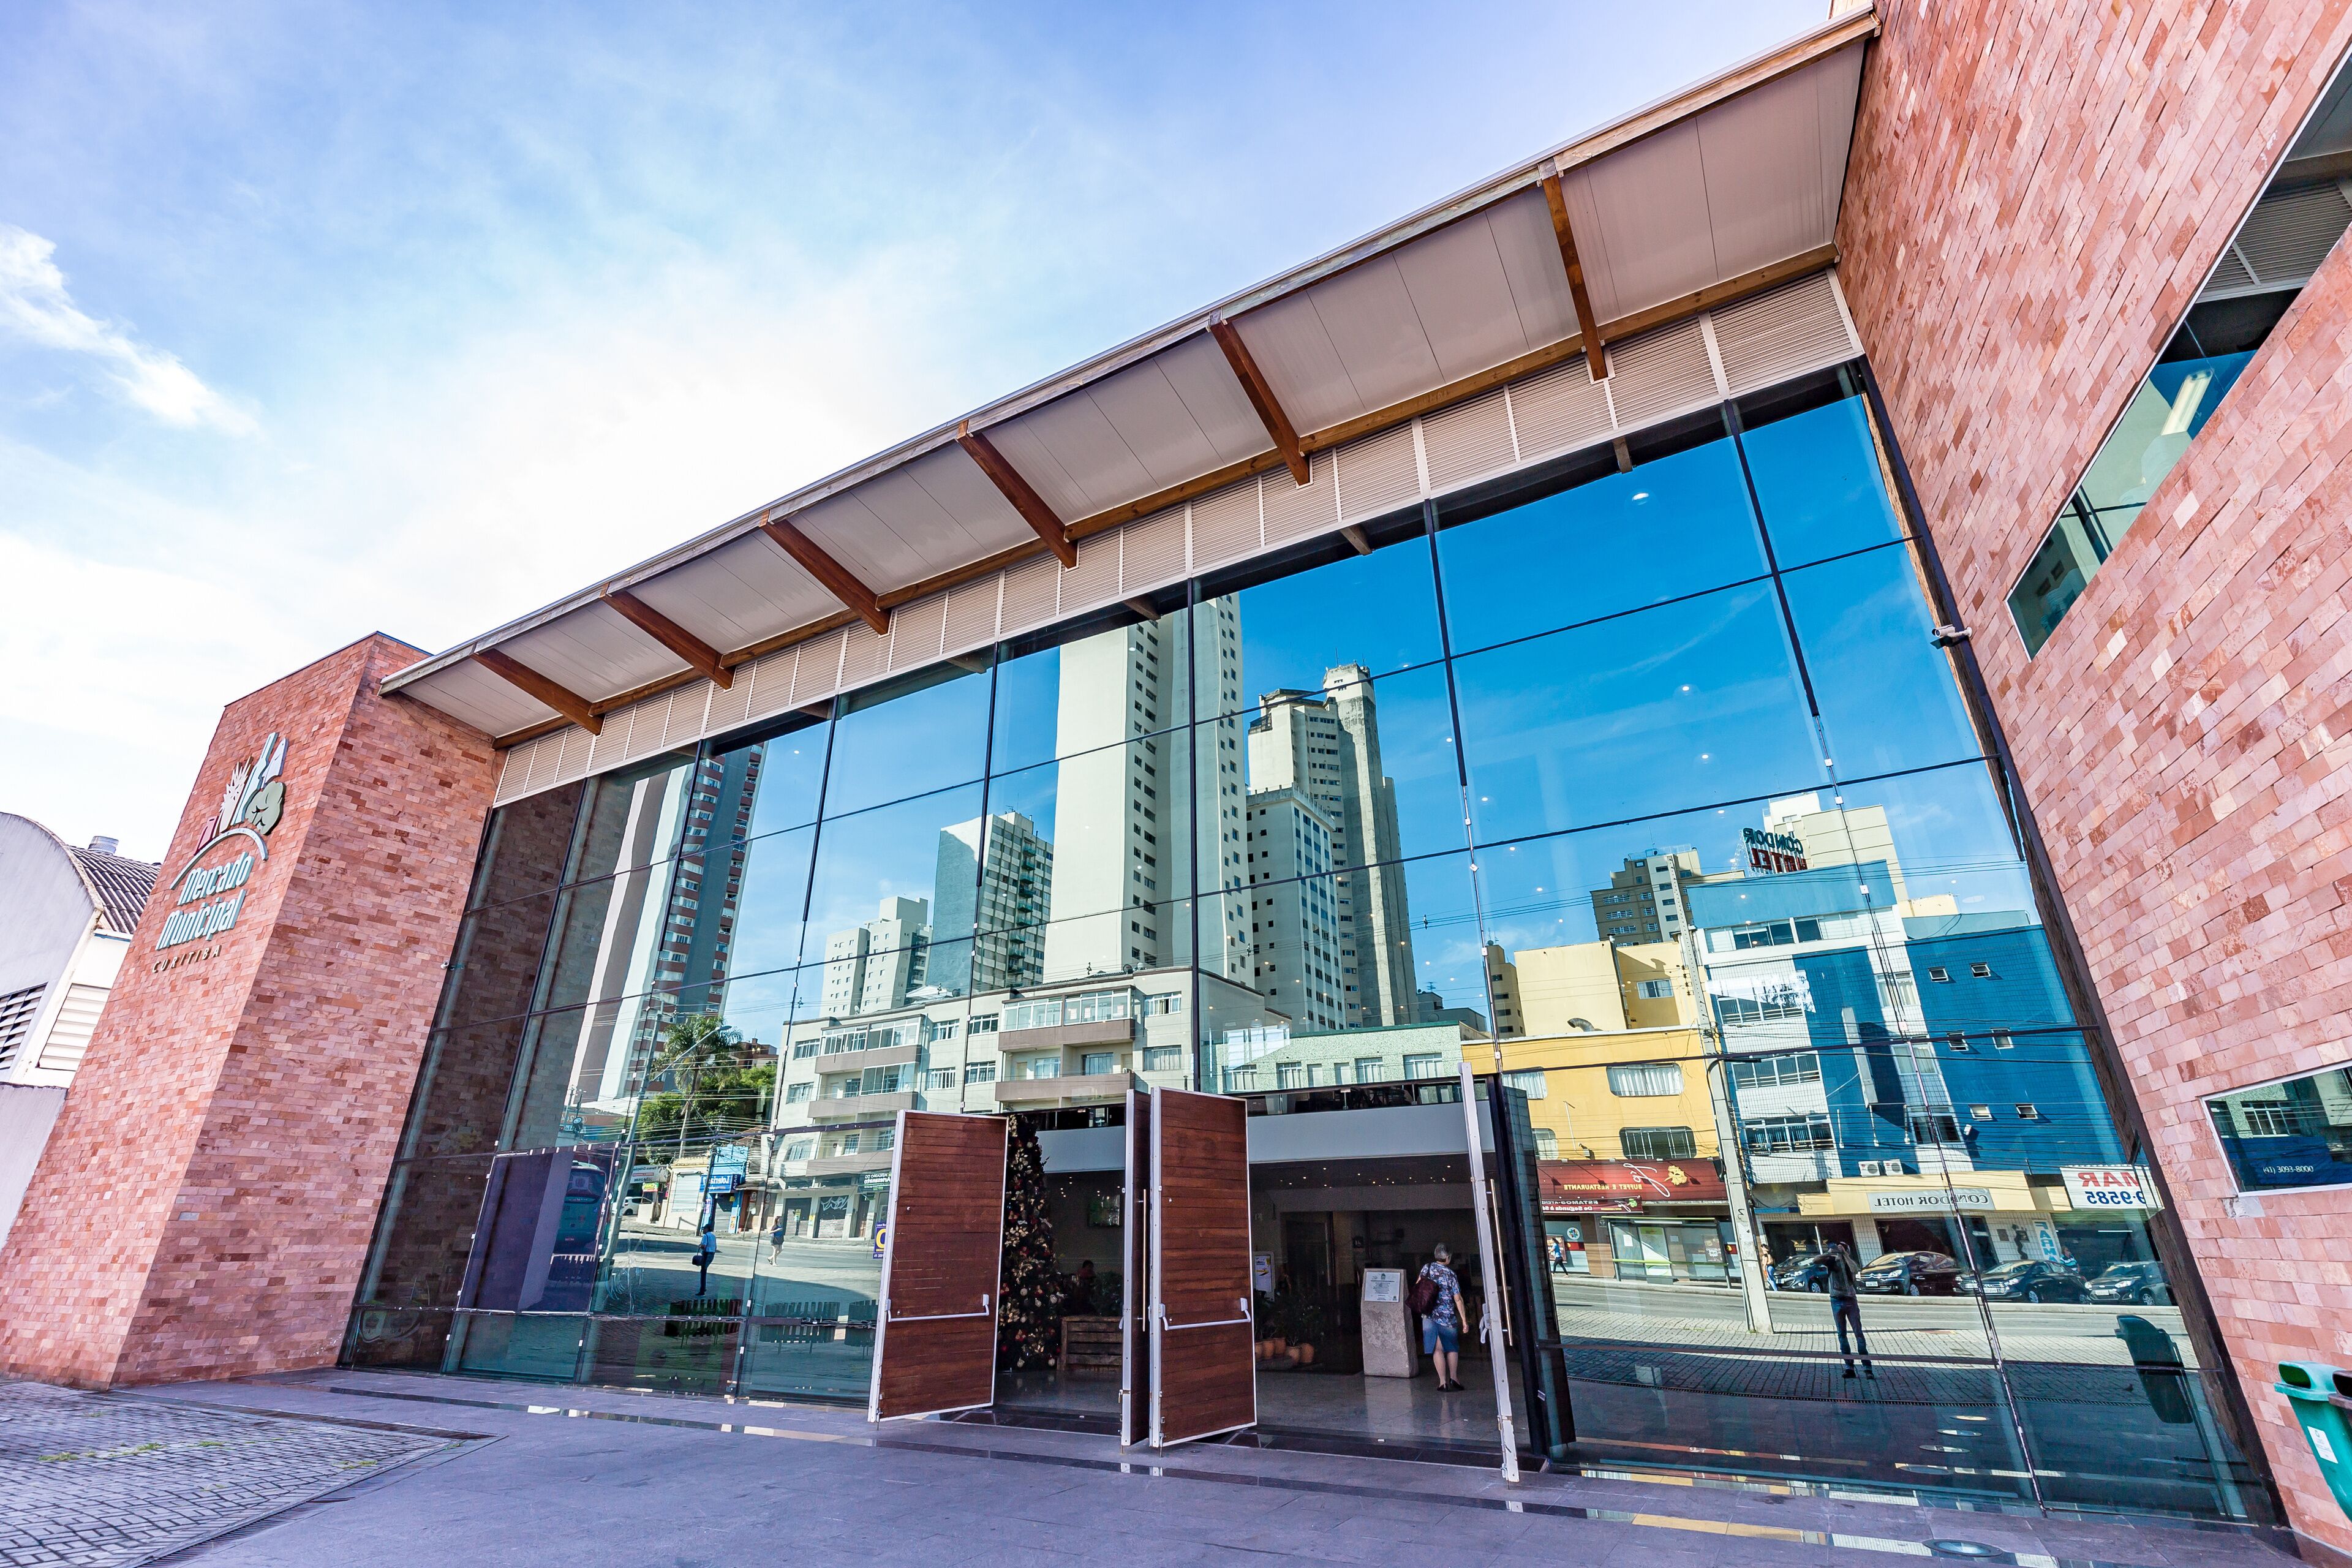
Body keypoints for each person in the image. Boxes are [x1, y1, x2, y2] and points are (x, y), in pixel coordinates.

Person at [1417, 1242, 1470, 1392]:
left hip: (1428, 1315)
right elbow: (1458, 1299)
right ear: (1447, 1257)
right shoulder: (1451, 1275)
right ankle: (1454, 1378)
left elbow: (1418, 1287)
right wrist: (1464, 1320)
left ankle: (1443, 1382)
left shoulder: (1426, 1269)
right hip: (1447, 1316)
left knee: (1437, 1349)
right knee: (1452, 1348)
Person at [1821, 1242, 1873, 1379]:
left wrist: (1844, 1254)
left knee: (1858, 1333)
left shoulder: (1848, 1262)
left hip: (1850, 1300)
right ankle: (1849, 1366)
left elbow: (1855, 1269)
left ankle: (1867, 1367)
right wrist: (1830, 1253)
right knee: (1841, 1334)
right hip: (1836, 1300)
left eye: (1843, 1248)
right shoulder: (1831, 1262)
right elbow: (1816, 1261)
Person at [695, 1215, 719, 1299]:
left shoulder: (705, 1236)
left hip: (706, 1254)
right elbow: (715, 1247)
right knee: (704, 1271)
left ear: (707, 1229)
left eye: (704, 1229)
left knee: (703, 1272)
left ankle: (702, 1291)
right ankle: (703, 1290)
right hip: (712, 1255)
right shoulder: (713, 1236)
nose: (703, 1230)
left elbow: (704, 1246)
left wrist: (700, 1246)